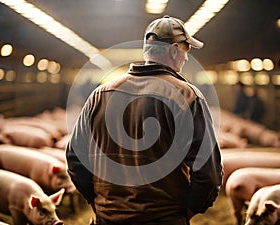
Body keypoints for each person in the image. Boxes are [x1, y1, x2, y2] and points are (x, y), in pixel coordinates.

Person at [66, 15, 223, 225]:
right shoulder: (187, 97)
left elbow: (75, 156)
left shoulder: (101, 94)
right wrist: (190, 210)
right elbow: (208, 172)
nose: (187, 57)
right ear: (175, 50)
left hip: (109, 217)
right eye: (187, 50)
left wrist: (96, 202)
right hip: (163, 219)